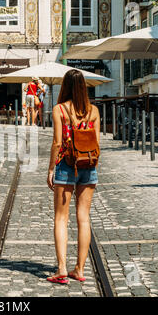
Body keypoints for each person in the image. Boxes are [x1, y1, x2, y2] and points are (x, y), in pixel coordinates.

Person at [46, 69, 101, 284]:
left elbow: (57, 143)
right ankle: (79, 269)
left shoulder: (59, 109)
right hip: (88, 165)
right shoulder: (94, 111)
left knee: (61, 217)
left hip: (66, 165)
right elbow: (96, 143)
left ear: (65, 87)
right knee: (84, 218)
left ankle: (61, 268)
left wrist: (51, 169)